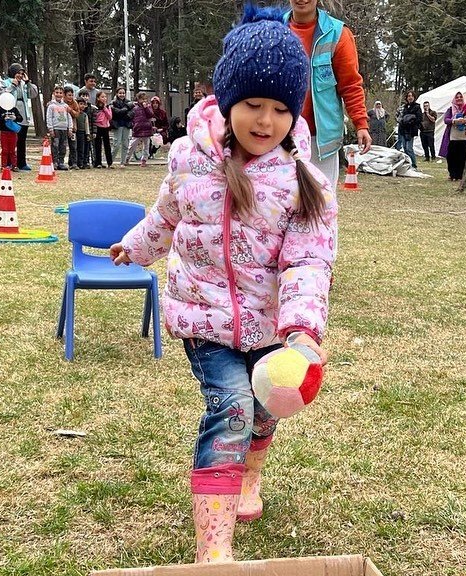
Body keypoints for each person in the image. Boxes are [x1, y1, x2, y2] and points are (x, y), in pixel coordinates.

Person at [109, 6, 336, 563]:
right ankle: (215, 551)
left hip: (271, 326)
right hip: (203, 319)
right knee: (231, 407)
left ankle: (251, 478)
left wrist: (303, 331)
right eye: (253, 104)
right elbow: (165, 216)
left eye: (281, 107)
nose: (266, 120)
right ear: (227, 99)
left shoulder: (302, 179)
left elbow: (308, 260)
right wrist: (135, 247)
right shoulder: (189, 159)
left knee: (264, 409)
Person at [285, 0, 371, 188]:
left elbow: (351, 85)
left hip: (321, 141)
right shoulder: (274, 29)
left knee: (321, 204)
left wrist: (361, 123)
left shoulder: (338, 33)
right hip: (281, 136)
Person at [3, 63, 39, 171]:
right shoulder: (6, 82)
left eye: (22, 73)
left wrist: (28, 83)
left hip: (23, 113)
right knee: (11, 140)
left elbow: (33, 94)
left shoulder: (24, 84)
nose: (20, 75)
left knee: (21, 140)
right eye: (18, 73)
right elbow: (4, 95)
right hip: (11, 113)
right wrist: (13, 85)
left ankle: (21, 162)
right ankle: (9, 163)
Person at [439, 91, 466, 181]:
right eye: (457, 97)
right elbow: (446, 120)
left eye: (460, 97)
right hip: (453, 137)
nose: (459, 98)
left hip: (464, 136)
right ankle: (452, 174)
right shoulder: (450, 109)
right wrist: (454, 121)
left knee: (462, 156)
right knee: (452, 156)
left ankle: (460, 175)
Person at [46, 85, 73, 171]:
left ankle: (61, 162)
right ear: (54, 93)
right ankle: (54, 162)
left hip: (64, 129)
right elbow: (49, 117)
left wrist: (70, 128)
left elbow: (69, 117)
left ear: (63, 94)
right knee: (55, 146)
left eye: (61, 93)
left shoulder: (65, 106)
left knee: (63, 146)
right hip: (55, 129)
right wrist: (50, 128)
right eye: (57, 92)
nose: (58, 94)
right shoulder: (51, 106)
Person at [124, 92, 154, 167]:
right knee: (132, 145)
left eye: (145, 99)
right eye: (142, 99)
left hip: (147, 128)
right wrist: (133, 125)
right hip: (137, 128)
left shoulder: (148, 107)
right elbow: (131, 116)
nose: (144, 101)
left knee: (146, 146)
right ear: (138, 99)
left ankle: (144, 160)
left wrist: (146, 108)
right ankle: (127, 158)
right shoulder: (134, 108)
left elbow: (151, 115)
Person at [0, 100, 23, 171]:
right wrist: (3, 119)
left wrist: (15, 118)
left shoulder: (14, 109)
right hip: (4, 132)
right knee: (5, 150)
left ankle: (14, 166)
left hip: (13, 132)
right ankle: (4, 166)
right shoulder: (0, 109)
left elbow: (20, 119)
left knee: (12, 150)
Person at [398, 90, 422, 170]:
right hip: (403, 129)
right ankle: (408, 164)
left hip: (411, 130)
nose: (410, 97)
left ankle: (414, 165)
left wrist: (411, 121)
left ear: (414, 97)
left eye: (411, 96)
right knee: (404, 148)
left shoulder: (417, 107)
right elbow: (401, 117)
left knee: (409, 148)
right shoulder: (405, 107)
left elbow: (419, 119)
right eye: (408, 96)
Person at [111, 87, 134, 167]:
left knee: (125, 144)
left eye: (123, 93)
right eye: (120, 93)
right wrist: (125, 110)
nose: (122, 95)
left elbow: (132, 113)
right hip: (117, 126)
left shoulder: (129, 102)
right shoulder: (113, 103)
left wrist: (126, 115)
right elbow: (116, 112)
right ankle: (110, 161)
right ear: (117, 94)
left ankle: (123, 162)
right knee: (116, 144)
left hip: (126, 125)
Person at [92, 91, 113, 168]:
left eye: (105, 97)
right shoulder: (95, 107)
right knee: (98, 145)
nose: (104, 98)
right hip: (97, 127)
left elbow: (110, 117)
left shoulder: (108, 107)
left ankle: (109, 162)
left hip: (105, 127)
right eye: (102, 97)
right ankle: (98, 162)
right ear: (98, 98)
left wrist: (105, 108)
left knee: (107, 145)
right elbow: (95, 118)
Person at [63, 86, 81, 169]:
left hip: (72, 128)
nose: (70, 97)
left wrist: (70, 110)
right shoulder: (60, 103)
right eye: (69, 95)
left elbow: (77, 114)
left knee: (73, 146)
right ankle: (60, 162)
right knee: (62, 146)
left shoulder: (74, 103)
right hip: (62, 127)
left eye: (72, 95)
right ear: (64, 95)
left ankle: (74, 163)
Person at [74, 95, 91, 169]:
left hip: (83, 133)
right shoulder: (75, 113)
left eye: (84, 104)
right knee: (76, 148)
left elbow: (86, 125)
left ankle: (82, 162)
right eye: (81, 104)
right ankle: (75, 162)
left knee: (83, 148)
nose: (82, 106)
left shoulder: (85, 115)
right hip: (76, 132)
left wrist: (87, 134)